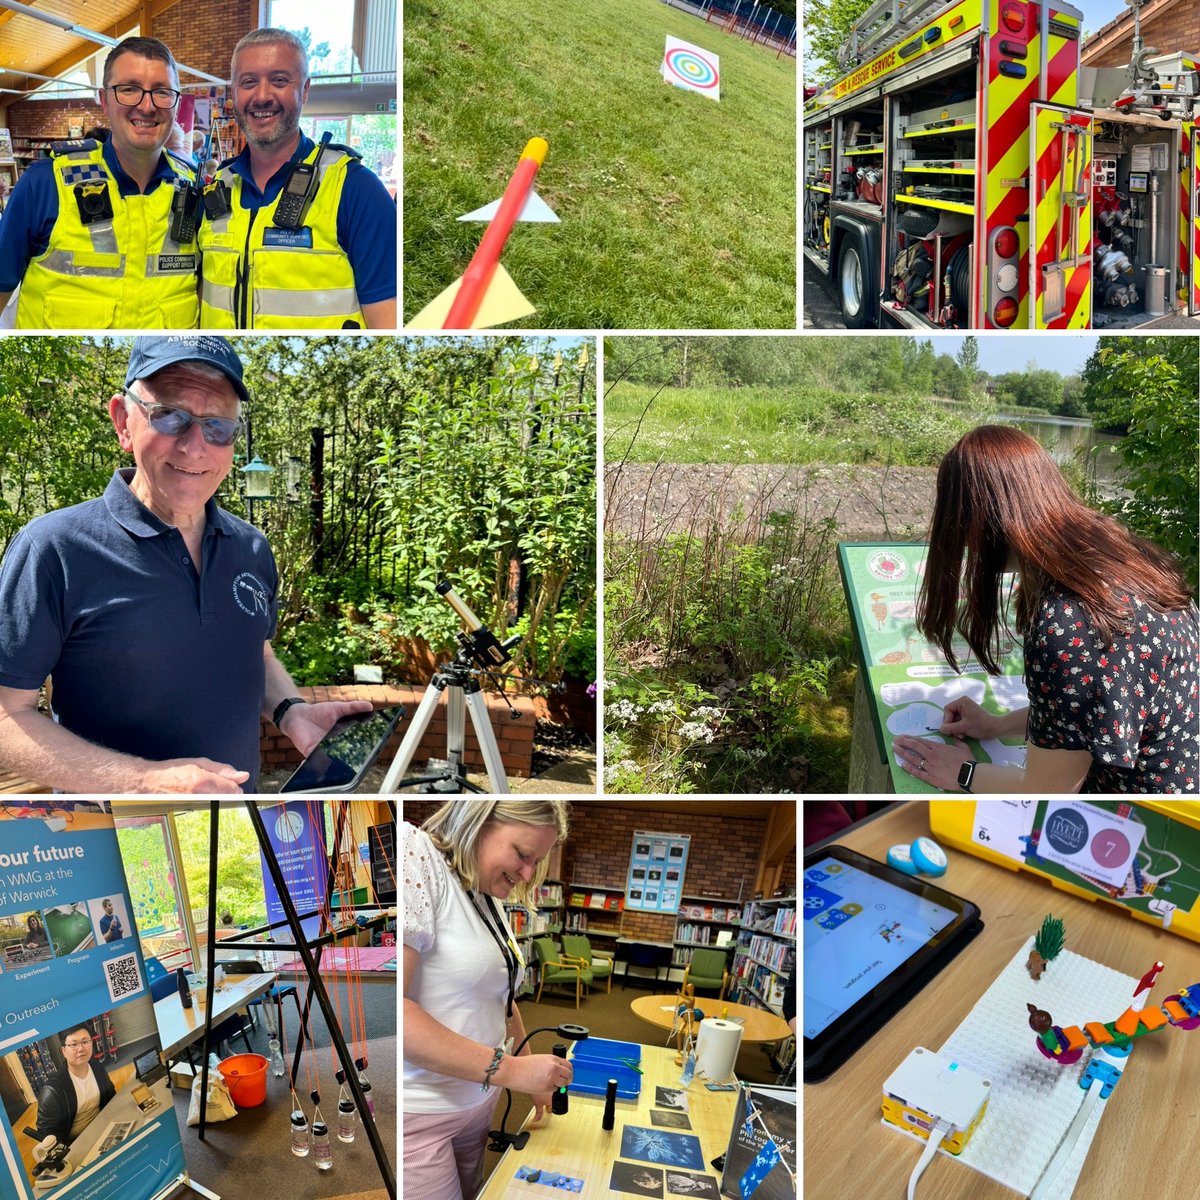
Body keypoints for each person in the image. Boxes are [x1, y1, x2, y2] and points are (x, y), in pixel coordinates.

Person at [0, 335, 372, 793]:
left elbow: (255, 652)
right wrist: (144, 781)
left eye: (218, 427)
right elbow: (6, 716)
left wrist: (291, 712)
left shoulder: (251, 547)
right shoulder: (53, 549)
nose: (195, 447)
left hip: (236, 822)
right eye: (171, 417)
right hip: (119, 838)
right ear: (123, 421)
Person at [892, 425, 1198, 793]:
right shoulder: (1128, 562)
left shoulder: (1068, 619)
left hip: (1135, 816)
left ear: (977, 521)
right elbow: (1093, 713)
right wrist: (997, 725)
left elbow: (1046, 789)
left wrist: (963, 773)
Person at [404, 800, 572, 1200]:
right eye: (522, 854)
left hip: (478, 1101)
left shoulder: (485, 891)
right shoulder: (417, 853)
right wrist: (514, 1071)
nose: (528, 873)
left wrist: (529, 1067)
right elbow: (401, 1012)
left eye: (538, 860)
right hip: (423, 1112)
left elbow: (501, 999)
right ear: (478, 822)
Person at [196, 28, 396, 329]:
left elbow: (388, 323)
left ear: (304, 90)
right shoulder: (215, 189)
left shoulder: (356, 189)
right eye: (249, 82)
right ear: (234, 93)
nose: (262, 96)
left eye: (279, 80)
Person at [0, 37, 200, 329]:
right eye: (129, 90)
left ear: (177, 102)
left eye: (162, 91)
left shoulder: (194, 193)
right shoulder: (44, 185)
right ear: (104, 100)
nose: (147, 106)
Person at [34, 1025, 115, 1146]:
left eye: (85, 1042)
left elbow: (111, 1097)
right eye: (74, 1044)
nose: (81, 1048)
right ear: (64, 1051)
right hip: (76, 1142)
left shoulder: (97, 1067)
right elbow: (47, 1134)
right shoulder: (53, 1089)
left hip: (105, 1126)